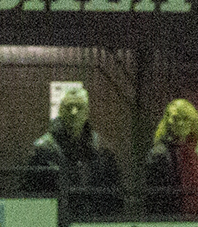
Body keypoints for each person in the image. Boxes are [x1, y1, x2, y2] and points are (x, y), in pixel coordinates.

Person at [24, 85, 125, 219]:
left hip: (93, 225)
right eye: (68, 107)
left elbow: (115, 198)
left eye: (79, 107)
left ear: (87, 112)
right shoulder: (43, 150)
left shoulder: (103, 150)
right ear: (60, 110)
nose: (74, 112)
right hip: (54, 224)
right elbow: (30, 197)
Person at [142, 98, 198, 218]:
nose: (180, 123)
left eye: (185, 119)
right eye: (176, 119)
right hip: (173, 221)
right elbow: (153, 197)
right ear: (168, 121)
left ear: (193, 121)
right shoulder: (160, 153)